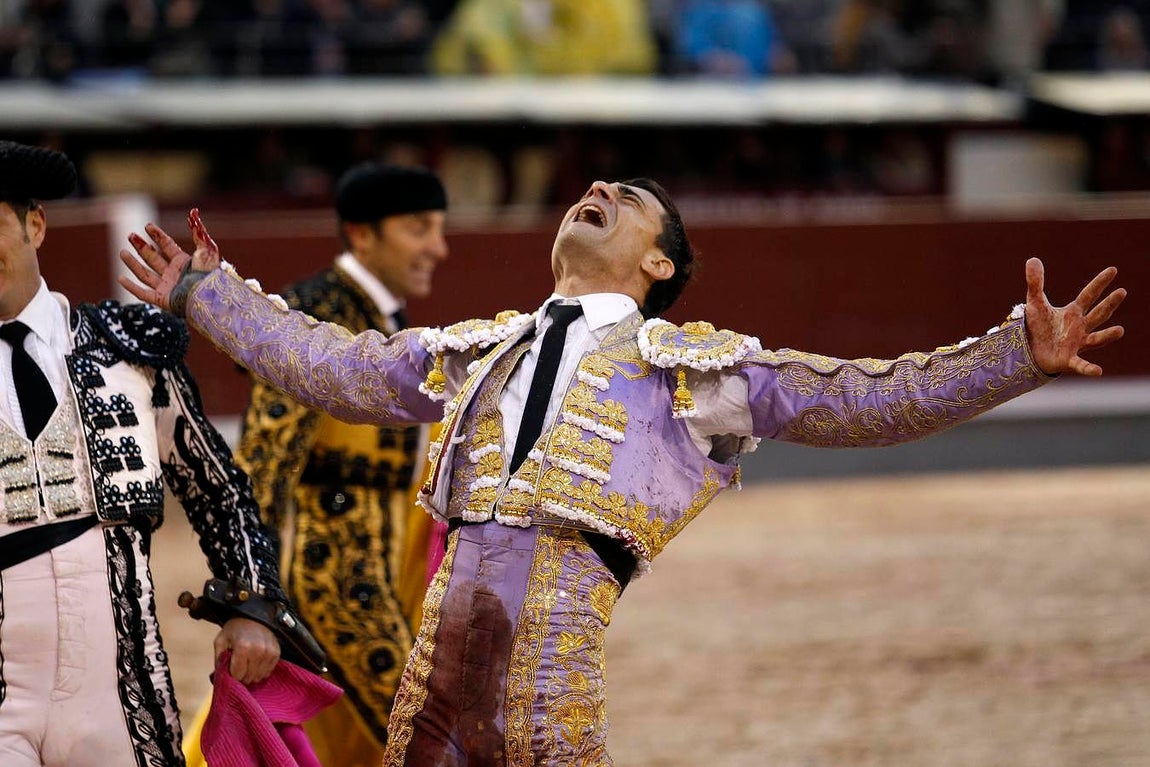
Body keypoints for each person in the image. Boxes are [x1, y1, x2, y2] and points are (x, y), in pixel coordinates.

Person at [120, 177, 1125, 765]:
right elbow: (328, 366)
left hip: (556, 650)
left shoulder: (692, 370)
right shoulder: (479, 347)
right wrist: (207, 293)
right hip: (434, 661)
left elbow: (865, 396)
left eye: (627, 199)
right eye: (591, 188)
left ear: (657, 265)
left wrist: (1010, 359)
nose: (595, 192)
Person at [0, 140, 302, 767]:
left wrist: (254, 606)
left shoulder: (130, 352)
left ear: (34, 223)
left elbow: (217, 487)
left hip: (122, 688)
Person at [186, 161, 451, 767]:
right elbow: (264, 464)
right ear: (362, 234)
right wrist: (254, 601)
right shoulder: (315, 313)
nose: (438, 247)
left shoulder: (381, 316)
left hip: (380, 572)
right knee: (426, 732)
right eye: (418, 228)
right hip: (328, 576)